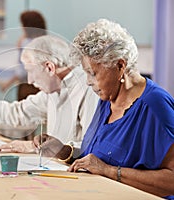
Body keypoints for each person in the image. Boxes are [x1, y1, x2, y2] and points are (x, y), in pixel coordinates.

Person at [33, 19, 174, 199]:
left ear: (120, 66)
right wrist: (62, 151)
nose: (88, 82)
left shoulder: (154, 105)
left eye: (93, 73)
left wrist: (109, 171)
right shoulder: (107, 100)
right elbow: (98, 157)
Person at [0, 35, 99, 153]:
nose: (29, 80)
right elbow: (16, 113)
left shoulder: (88, 89)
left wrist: (34, 147)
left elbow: (91, 147)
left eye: (30, 71)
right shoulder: (53, 91)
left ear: (49, 68)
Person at [1, 10, 47, 101]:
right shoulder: (45, 42)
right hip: (42, 88)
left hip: (27, 87)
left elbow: (22, 70)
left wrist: (8, 83)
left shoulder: (26, 43)